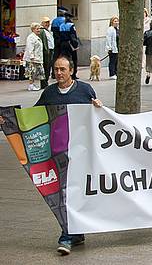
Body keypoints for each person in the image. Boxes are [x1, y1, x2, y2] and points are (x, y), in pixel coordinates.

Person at [0, 55, 102, 255]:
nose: (59, 73)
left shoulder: (84, 90)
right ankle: (67, 235)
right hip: (57, 155)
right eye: (56, 69)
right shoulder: (49, 93)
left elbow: (95, 118)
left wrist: (98, 107)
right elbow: (31, 118)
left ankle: (76, 232)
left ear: (71, 71)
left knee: (75, 194)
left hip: (80, 153)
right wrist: (8, 121)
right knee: (63, 194)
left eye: (63, 69)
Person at [23, 23, 45, 91]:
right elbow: (30, 47)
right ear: (33, 29)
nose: (39, 30)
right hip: (32, 59)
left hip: (37, 58)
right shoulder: (31, 37)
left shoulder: (36, 37)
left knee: (35, 72)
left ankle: (32, 84)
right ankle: (31, 85)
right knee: (32, 72)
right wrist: (32, 56)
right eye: (37, 29)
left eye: (39, 28)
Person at [58, 15, 79, 79]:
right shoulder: (71, 25)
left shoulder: (61, 26)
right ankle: (73, 74)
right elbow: (73, 36)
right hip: (70, 44)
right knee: (74, 59)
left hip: (62, 44)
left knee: (65, 59)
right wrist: (75, 45)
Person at [38, 17, 54, 89]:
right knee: (45, 67)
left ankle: (46, 81)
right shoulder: (42, 31)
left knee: (48, 67)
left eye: (48, 22)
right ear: (42, 23)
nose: (47, 24)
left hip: (50, 50)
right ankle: (44, 83)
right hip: (46, 51)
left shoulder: (48, 31)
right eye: (46, 22)